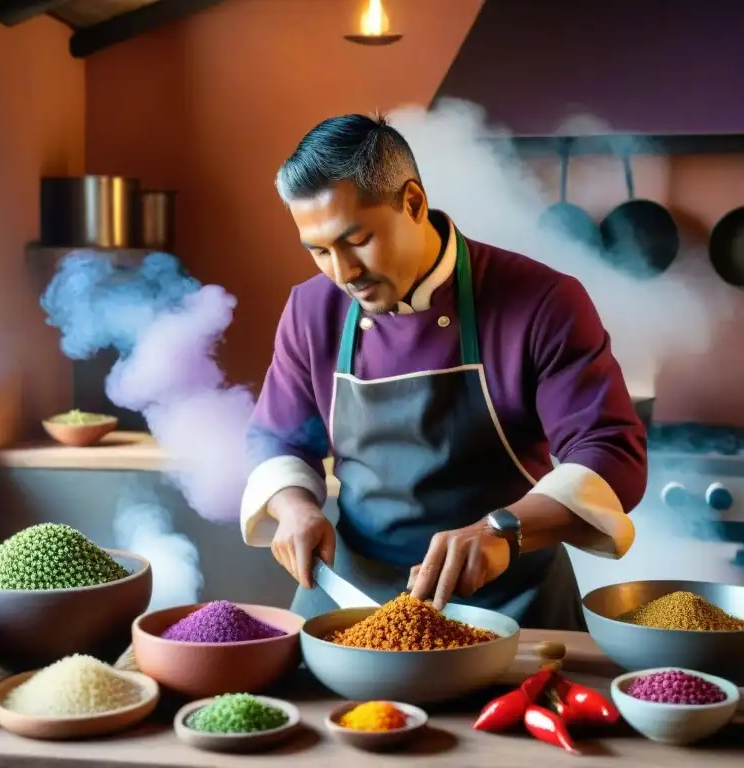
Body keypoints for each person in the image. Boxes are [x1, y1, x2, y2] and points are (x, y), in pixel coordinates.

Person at [238, 113, 647, 629]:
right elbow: (278, 439)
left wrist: (504, 530)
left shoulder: (542, 301)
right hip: (352, 602)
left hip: (512, 602)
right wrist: (294, 506)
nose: (344, 274)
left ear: (413, 202)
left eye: (358, 240)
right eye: (320, 251)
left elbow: (612, 451)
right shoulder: (311, 310)